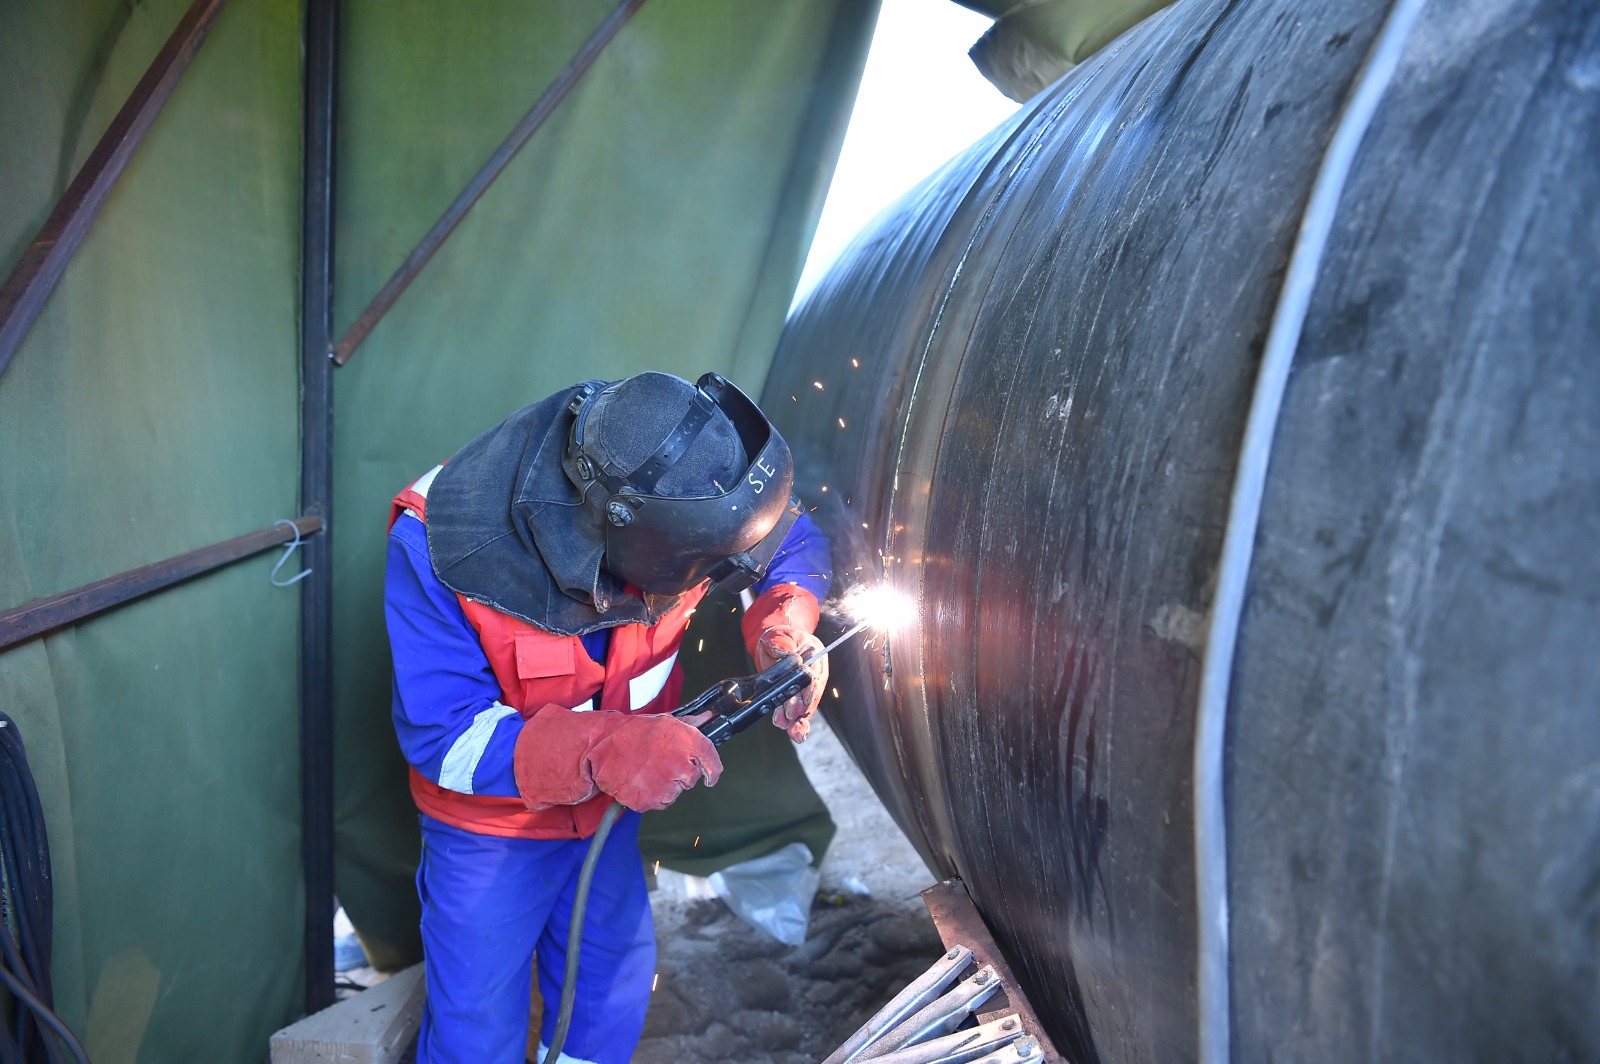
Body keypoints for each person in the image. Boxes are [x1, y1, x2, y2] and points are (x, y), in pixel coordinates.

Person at [383, 371, 832, 1064]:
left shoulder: (692, 478)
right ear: (629, 535)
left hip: (610, 817)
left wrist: (782, 629)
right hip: (489, 832)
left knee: (608, 1000)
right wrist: (608, 749)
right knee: (476, 1031)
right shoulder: (435, 540)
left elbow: (788, 541)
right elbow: (445, 738)